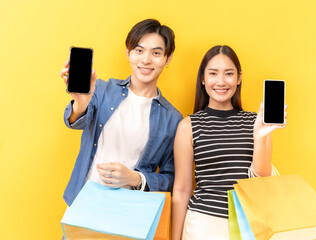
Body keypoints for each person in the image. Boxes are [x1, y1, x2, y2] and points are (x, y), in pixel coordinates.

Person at [59, 19, 183, 207]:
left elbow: (170, 178)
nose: (146, 60)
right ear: (128, 53)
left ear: (168, 57)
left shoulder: (172, 119)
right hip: (82, 207)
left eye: (156, 53)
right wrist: (81, 103)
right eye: (139, 50)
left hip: (129, 214)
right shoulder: (101, 89)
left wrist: (136, 178)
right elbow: (74, 121)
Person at [171, 45, 287, 239]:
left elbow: (262, 180)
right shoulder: (188, 126)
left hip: (249, 225)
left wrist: (260, 138)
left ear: (239, 78)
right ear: (203, 78)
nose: (221, 82)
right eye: (213, 73)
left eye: (229, 74)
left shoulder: (256, 123)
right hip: (203, 224)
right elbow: (182, 190)